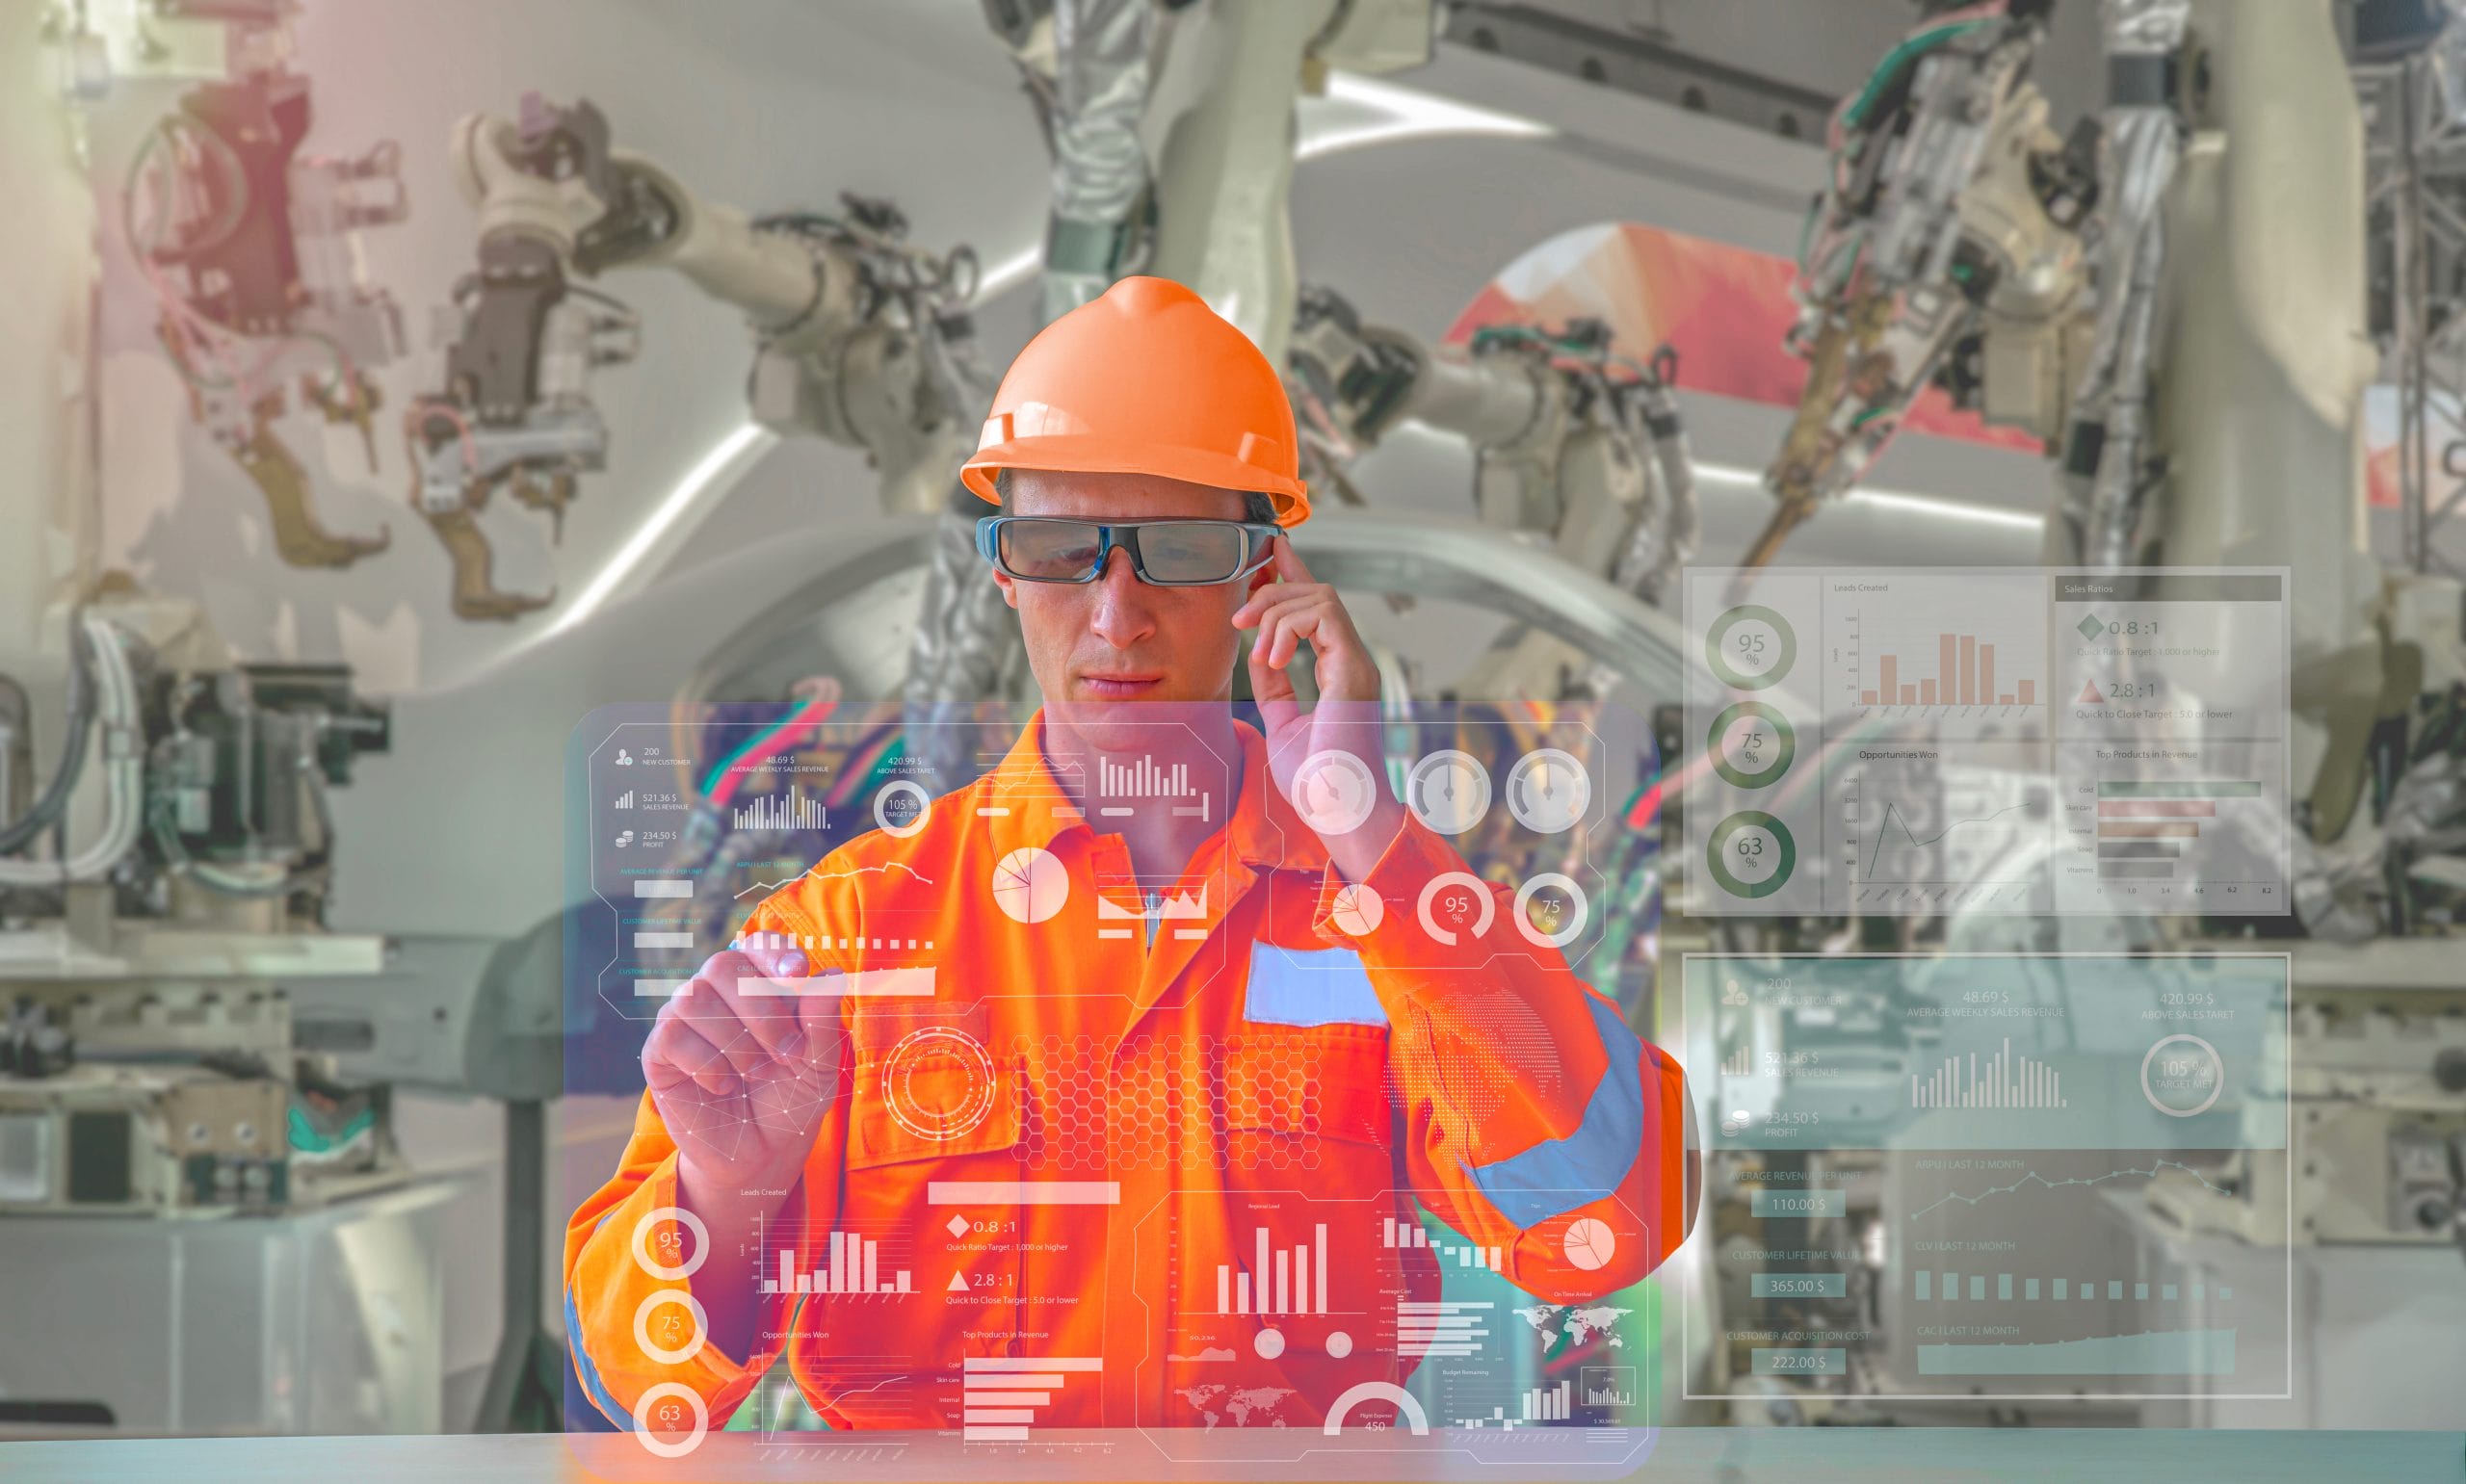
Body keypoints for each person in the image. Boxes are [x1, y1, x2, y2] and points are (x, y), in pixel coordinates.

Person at [564, 275, 1692, 1434]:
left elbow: (1608, 1221)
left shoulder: (1387, 915)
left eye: (1181, 548)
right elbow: (633, 1377)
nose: (1116, 614)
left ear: (1263, 573)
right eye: (1060, 548)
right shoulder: (849, 931)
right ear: (1003, 568)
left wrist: (1370, 832)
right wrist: (728, 1192)